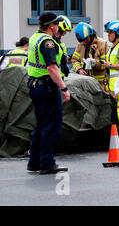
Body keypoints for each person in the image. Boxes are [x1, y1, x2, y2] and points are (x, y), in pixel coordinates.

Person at [26, 12, 70, 174]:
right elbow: (52, 67)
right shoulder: (47, 42)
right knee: (52, 126)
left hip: (35, 86)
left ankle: (34, 162)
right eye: (57, 24)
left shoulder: (34, 38)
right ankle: (47, 162)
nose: (58, 26)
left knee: (40, 125)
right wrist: (64, 88)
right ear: (51, 26)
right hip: (48, 88)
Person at [71, 22, 108, 89]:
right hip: (85, 83)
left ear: (91, 35)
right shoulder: (81, 44)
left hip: (99, 85)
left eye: (85, 39)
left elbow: (106, 64)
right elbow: (74, 59)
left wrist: (94, 63)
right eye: (82, 40)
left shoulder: (102, 43)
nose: (84, 41)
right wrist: (79, 69)